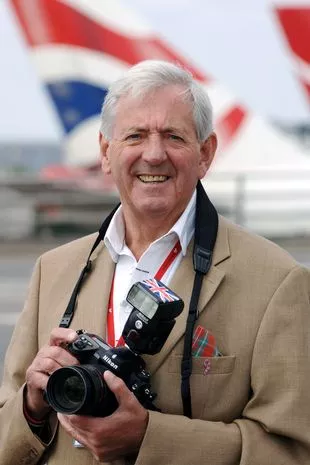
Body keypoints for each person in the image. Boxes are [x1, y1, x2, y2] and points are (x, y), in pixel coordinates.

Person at [1, 59, 310, 465]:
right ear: (106, 152)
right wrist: (33, 405)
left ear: (205, 153)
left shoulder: (277, 281)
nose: (153, 154)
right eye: (135, 135)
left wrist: (150, 439)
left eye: (173, 136)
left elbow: (292, 451)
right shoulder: (54, 269)